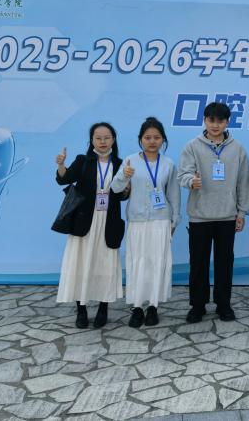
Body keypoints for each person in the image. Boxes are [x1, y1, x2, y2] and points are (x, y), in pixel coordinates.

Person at [177, 102, 249, 323]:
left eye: (220, 121)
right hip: (199, 216)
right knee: (198, 263)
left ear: (227, 122)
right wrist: (191, 181)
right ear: (204, 120)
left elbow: (244, 182)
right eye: (211, 120)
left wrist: (241, 212)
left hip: (227, 216)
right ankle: (197, 306)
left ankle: (223, 305)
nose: (215, 125)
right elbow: (183, 174)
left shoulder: (237, 148)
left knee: (224, 263)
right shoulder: (192, 146)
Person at [110, 117, 180, 328]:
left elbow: (174, 194)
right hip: (138, 220)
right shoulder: (130, 161)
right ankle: (137, 307)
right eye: (147, 137)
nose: (152, 141)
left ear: (163, 140)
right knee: (137, 262)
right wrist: (124, 176)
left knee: (157, 263)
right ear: (140, 139)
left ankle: (153, 307)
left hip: (161, 220)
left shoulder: (168, 164)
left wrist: (174, 220)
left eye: (156, 137)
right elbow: (115, 188)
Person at [55, 122, 125, 328]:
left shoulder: (120, 164)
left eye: (107, 137)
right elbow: (64, 179)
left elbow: (122, 195)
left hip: (108, 222)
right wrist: (61, 165)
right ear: (91, 140)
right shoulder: (83, 161)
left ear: (113, 140)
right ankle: (81, 310)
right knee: (81, 265)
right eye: (98, 138)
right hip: (84, 222)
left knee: (105, 265)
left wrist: (127, 184)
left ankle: (103, 309)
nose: (103, 142)